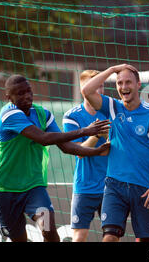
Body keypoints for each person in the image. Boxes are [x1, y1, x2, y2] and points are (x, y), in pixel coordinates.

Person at [0, 74, 111, 242]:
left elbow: (66, 147)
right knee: (19, 239)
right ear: (8, 97)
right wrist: (85, 131)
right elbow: (43, 138)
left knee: (49, 231)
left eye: (29, 91)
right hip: (5, 189)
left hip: (33, 187)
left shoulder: (42, 114)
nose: (27, 96)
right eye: (20, 93)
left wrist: (96, 151)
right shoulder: (9, 114)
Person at [81, 63, 149, 242]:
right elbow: (87, 91)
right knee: (109, 238)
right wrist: (112, 70)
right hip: (115, 186)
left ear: (138, 85)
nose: (123, 87)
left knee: (147, 241)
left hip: (145, 188)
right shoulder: (112, 107)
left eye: (128, 82)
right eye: (119, 83)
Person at [63, 70, 110, 242]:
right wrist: (96, 134)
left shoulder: (110, 111)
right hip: (85, 186)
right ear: (85, 88)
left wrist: (108, 137)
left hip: (110, 187)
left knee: (111, 235)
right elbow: (79, 153)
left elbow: (116, 147)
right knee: (79, 237)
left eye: (102, 86)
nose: (100, 91)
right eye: (96, 86)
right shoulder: (72, 116)